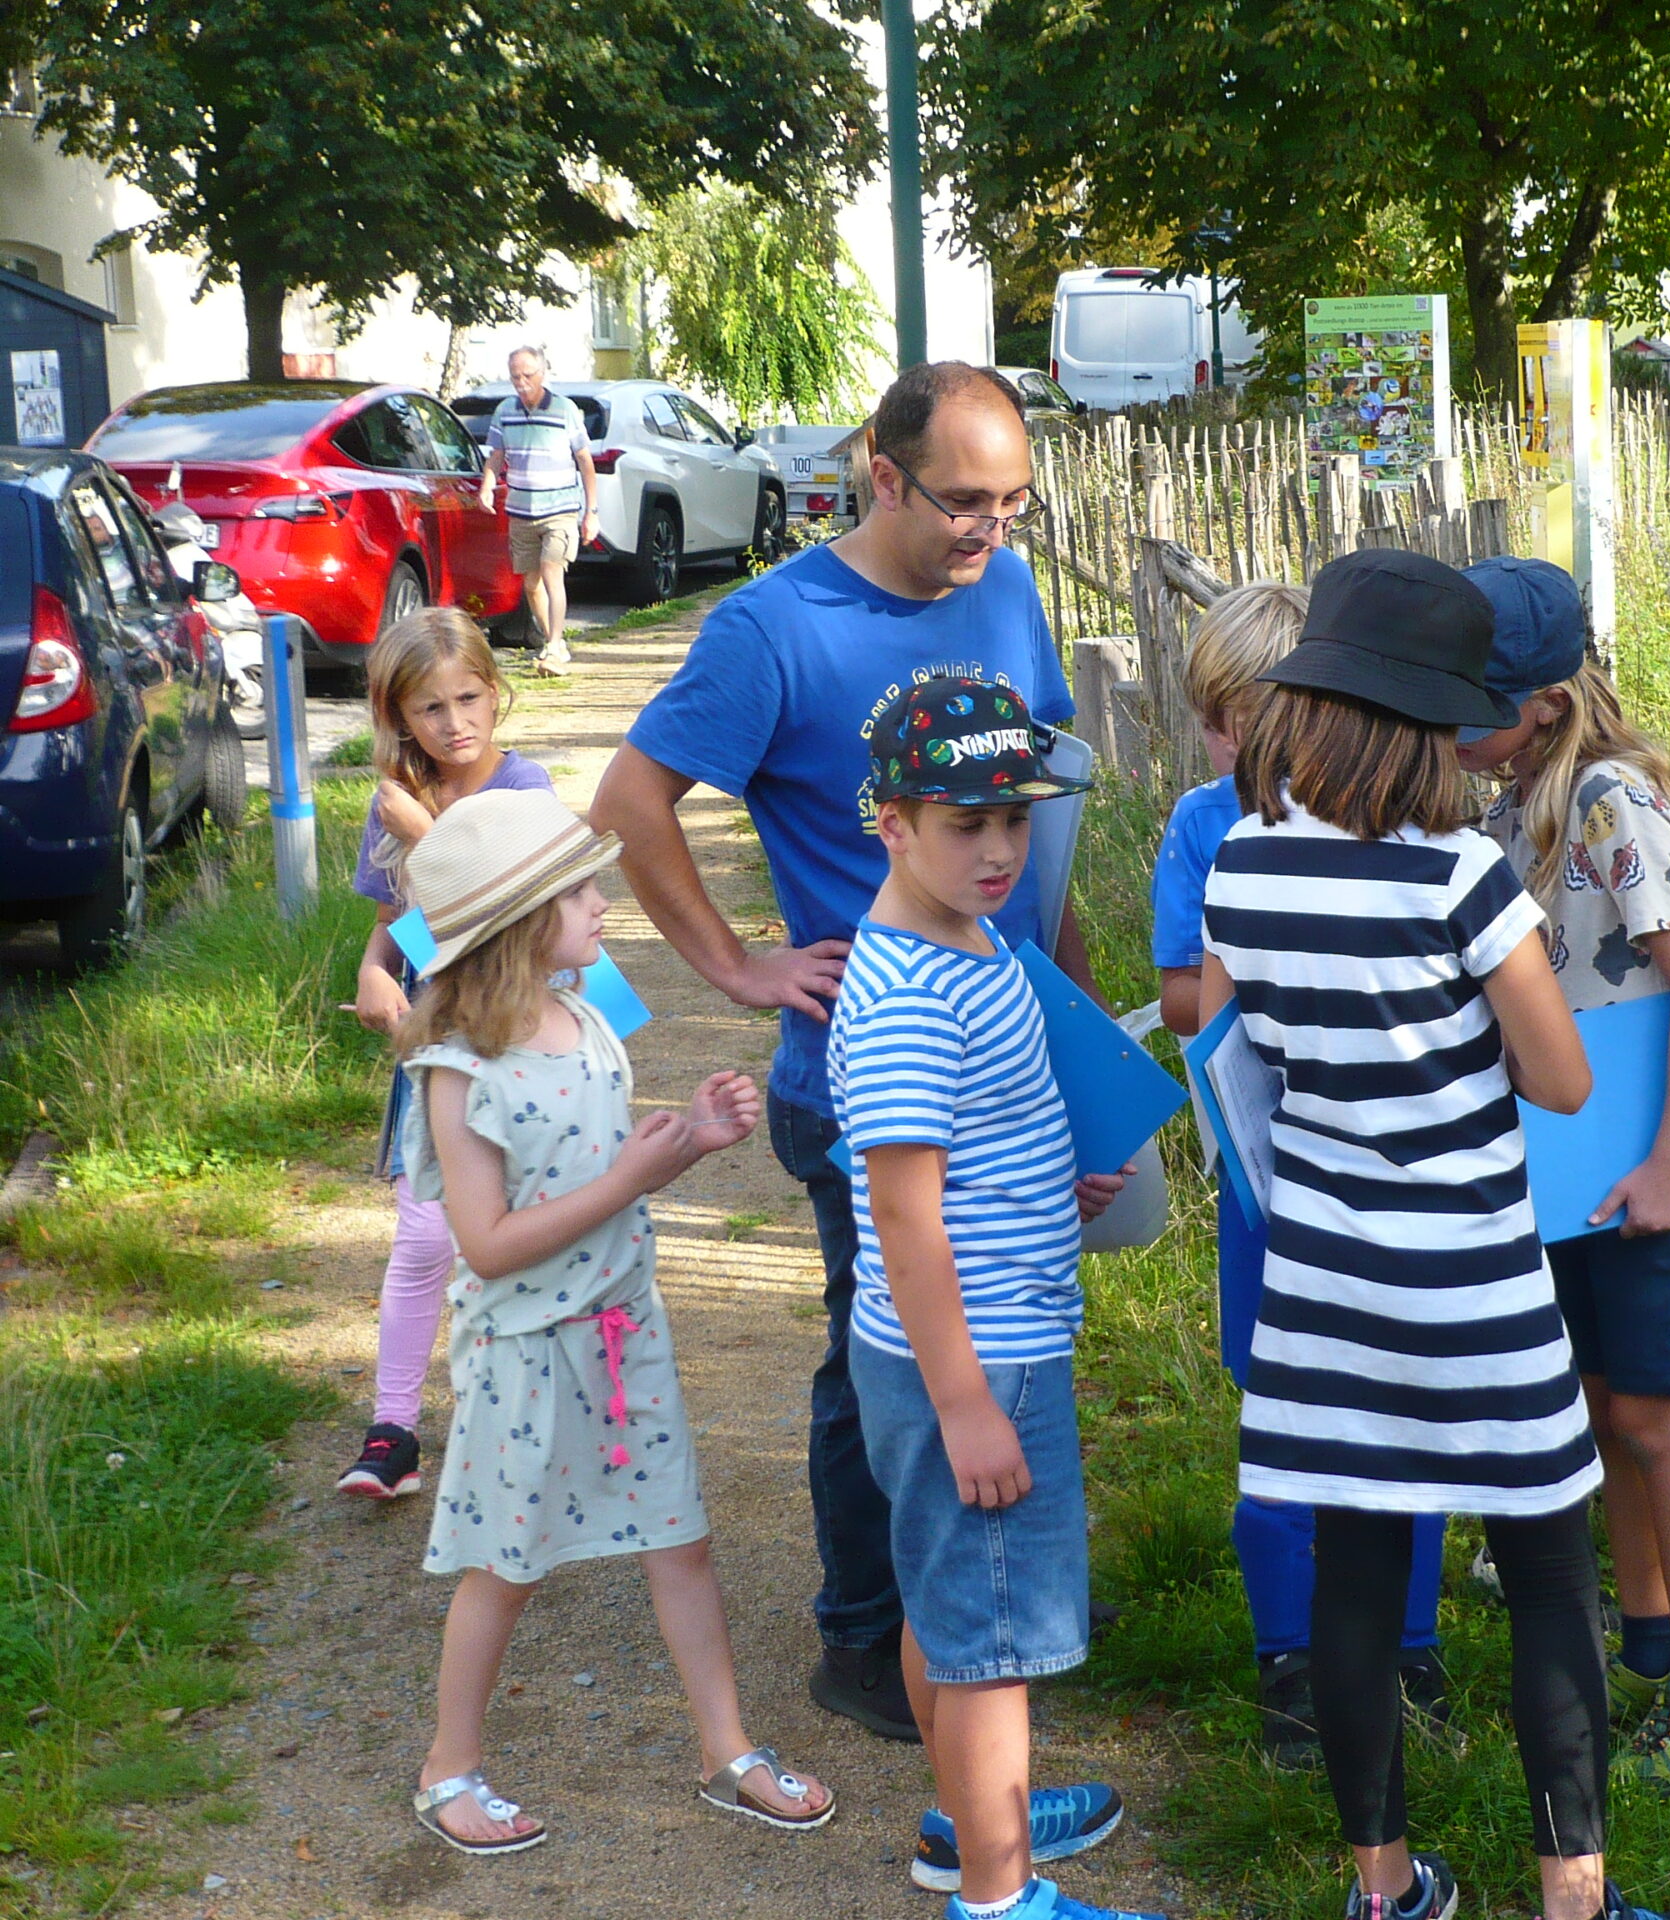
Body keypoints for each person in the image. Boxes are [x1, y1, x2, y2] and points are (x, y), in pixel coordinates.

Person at [589, 362, 1105, 1745]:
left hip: (1008, 1036)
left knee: (995, 1321)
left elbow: (1036, 800)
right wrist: (737, 967)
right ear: (881, 472)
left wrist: (1074, 996)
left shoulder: (1000, 586)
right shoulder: (774, 628)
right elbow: (628, 797)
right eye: (960, 501)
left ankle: (970, 1612)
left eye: (1011, 502)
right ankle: (866, 1636)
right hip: (864, 1070)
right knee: (872, 1354)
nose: (988, 530)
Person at [1197, 549, 1670, 1920]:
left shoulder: (1243, 865)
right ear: (1433, 724)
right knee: (1545, 1580)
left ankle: (1382, 1883)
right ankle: (1573, 1892)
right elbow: (1562, 1078)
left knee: (1354, 1575)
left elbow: (1250, 1034)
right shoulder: (1464, 879)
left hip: (1327, 1282)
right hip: (1473, 1280)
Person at [395, 786, 832, 1855]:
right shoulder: (457, 1072)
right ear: (514, 924)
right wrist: (636, 1175)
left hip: (622, 1334)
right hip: (525, 1356)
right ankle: (446, 1767)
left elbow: (603, 1153)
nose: (604, 905)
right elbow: (490, 1241)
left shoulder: (589, 1011)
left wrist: (687, 1136)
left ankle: (724, 1750)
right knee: (505, 1565)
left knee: (680, 1541)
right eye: (582, 890)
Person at [829, 678, 1145, 1920]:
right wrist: (966, 1404)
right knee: (995, 1645)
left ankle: (967, 1817)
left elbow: (956, 1165)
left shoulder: (969, 939)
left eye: (1015, 817)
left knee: (950, 1609)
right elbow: (903, 1217)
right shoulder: (912, 989)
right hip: (974, 1357)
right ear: (891, 824)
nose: (1002, 847)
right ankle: (1002, 1897)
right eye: (965, 824)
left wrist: (1044, 1181)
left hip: (964, 1338)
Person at [1455, 559, 1670, 1792]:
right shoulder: (1503, 808)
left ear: (1534, 706)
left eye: (1459, 694)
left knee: (1652, 1419)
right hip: (1570, 1164)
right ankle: (1640, 1644)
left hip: (1659, 1170)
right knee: (1593, 1405)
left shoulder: (1610, 803)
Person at [1149, 580, 1449, 1767]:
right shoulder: (1197, 823)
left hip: (1390, 1172)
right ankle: (1290, 1659)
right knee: (1278, 1409)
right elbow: (1181, 989)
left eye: (1253, 720)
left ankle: (1408, 1646)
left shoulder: (1393, 822)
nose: (1233, 749)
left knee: (1405, 1405)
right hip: (1267, 1169)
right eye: (1218, 724)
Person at [337, 610, 555, 1501]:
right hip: (435, 1050)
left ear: (495, 694)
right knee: (425, 1236)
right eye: (430, 708)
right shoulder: (395, 800)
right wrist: (375, 973)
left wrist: (432, 836)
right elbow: (395, 927)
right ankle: (393, 1429)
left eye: (468, 698)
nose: (454, 723)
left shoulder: (525, 788)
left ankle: (519, 1420)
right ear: (397, 717)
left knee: (512, 1239)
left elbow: (526, 919)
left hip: (518, 1044)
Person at [478, 346, 598, 678]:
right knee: (531, 584)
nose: (521, 382)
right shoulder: (505, 411)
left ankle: (554, 644)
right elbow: (496, 455)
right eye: (515, 376)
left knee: (550, 571)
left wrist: (592, 511)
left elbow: (585, 462)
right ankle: (554, 643)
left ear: (542, 373)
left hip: (559, 509)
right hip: (521, 510)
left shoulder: (564, 410)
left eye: (527, 375)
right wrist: (487, 485)